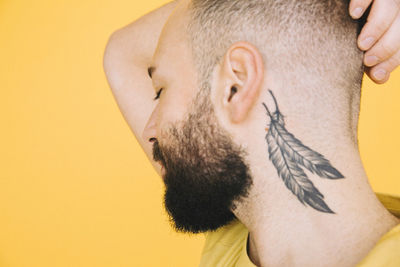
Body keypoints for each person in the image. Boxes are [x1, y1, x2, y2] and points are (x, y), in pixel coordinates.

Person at [103, 0, 400, 266]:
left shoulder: (229, 243)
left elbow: (123, 51)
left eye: (160, 92)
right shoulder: (239, 234)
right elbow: (122, 50)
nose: (149, 129)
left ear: (236, 85)